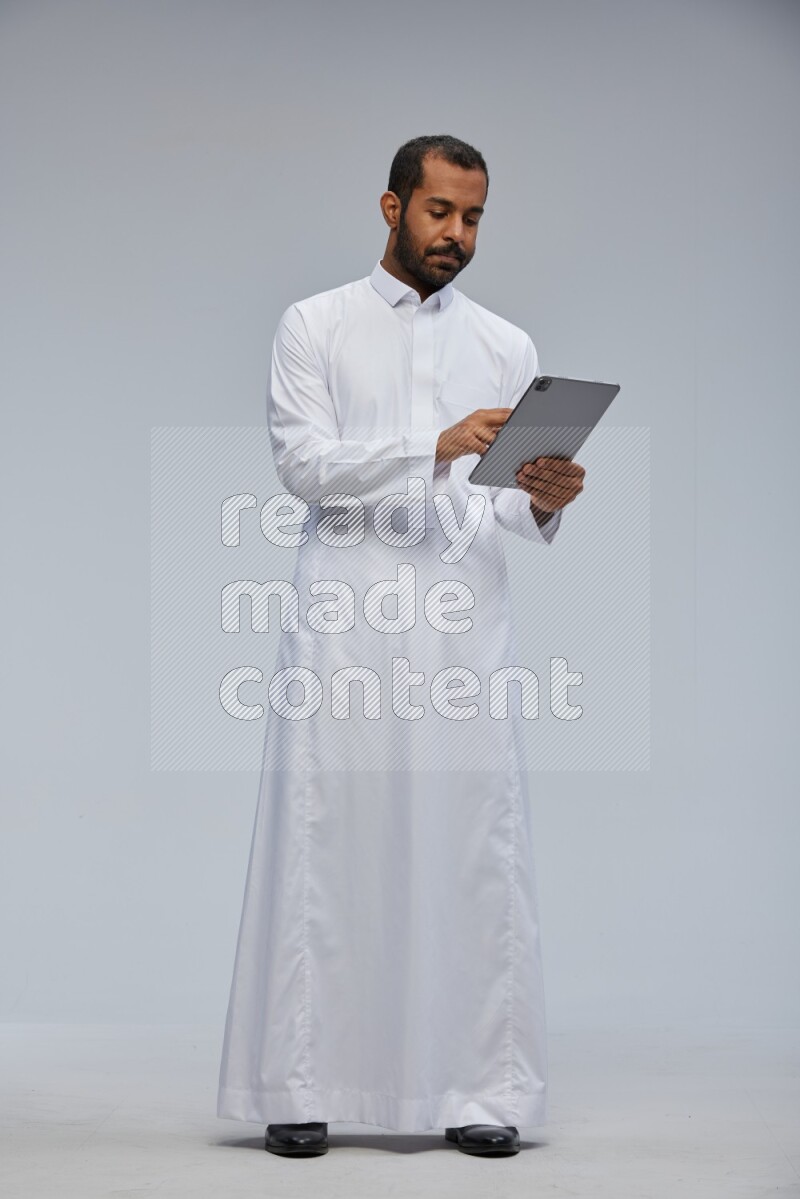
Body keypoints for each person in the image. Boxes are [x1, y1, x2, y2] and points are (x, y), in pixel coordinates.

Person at [217, 134, 585, 1159]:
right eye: (437, 213)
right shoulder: (316, 324)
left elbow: (502, 506)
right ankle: (301, 1080)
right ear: (389, 208)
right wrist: (432, 442)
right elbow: (304, 467)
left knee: (473, 841)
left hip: (465, 622)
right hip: (347, 614)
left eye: (471, 218)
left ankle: (478, 1087)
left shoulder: (505, 345)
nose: (455, 236)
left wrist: (543, 496)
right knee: (329, 834)